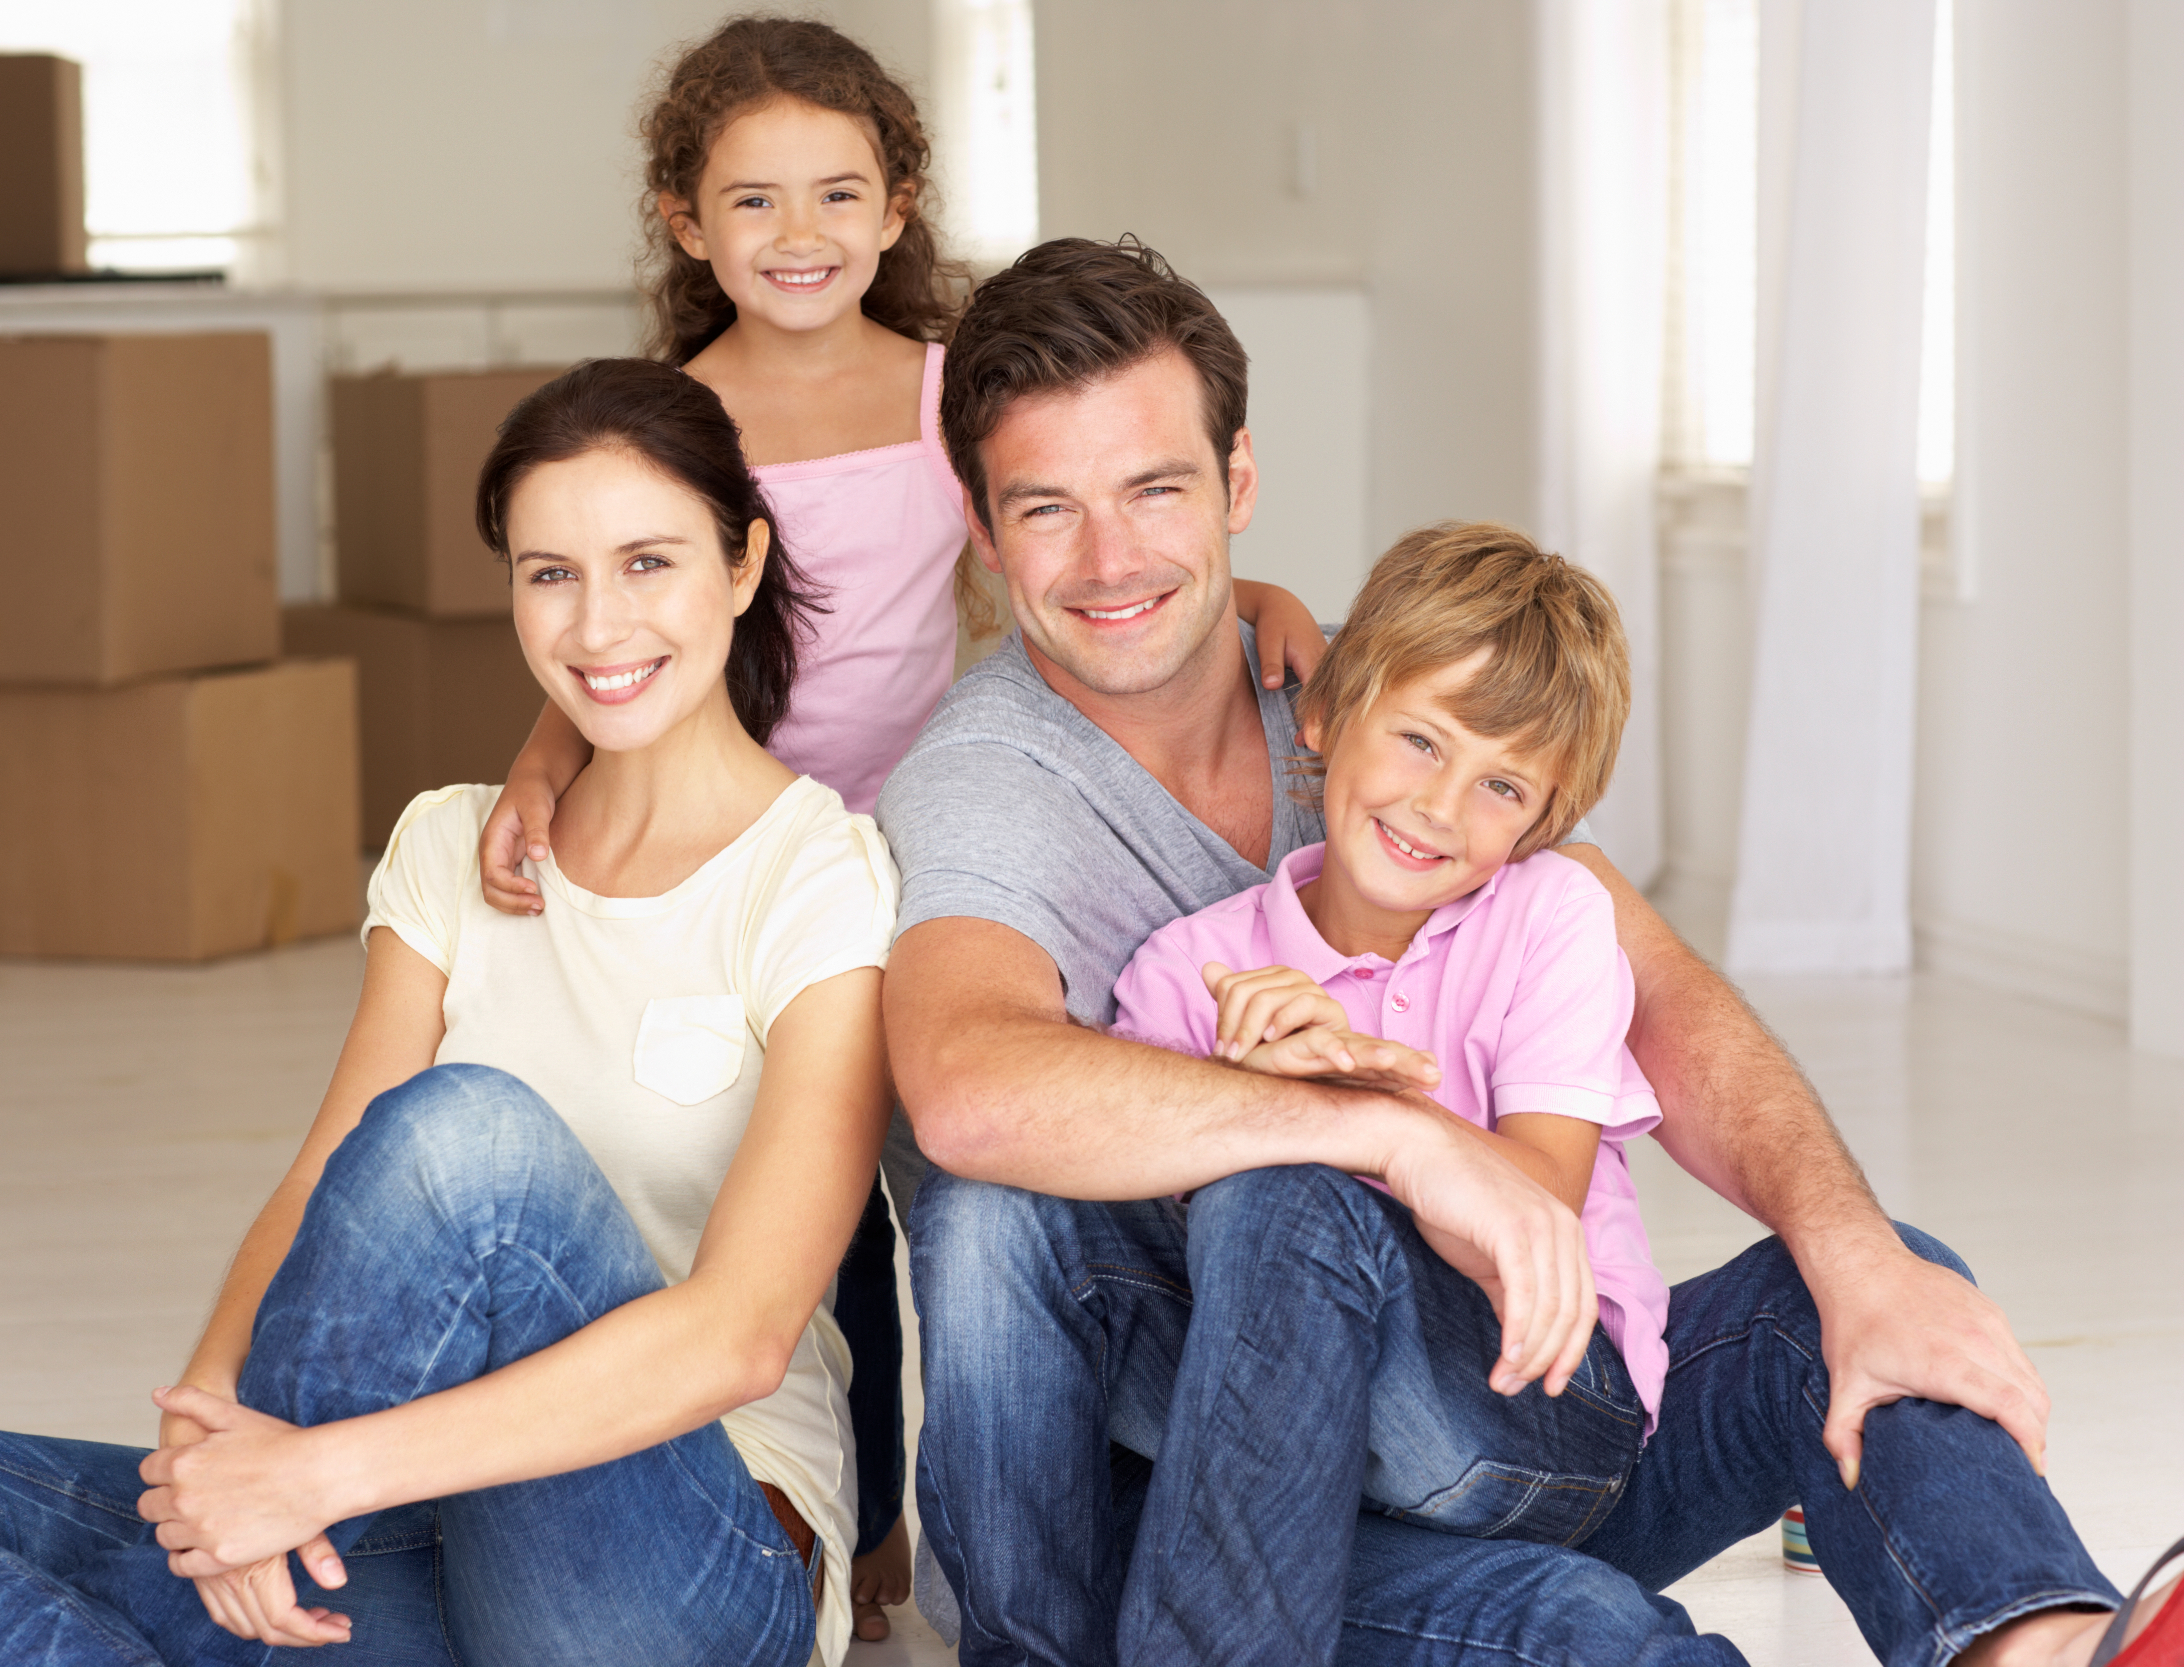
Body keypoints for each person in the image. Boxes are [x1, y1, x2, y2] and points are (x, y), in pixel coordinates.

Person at [878, 234, 2176, 1666]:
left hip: (1511, 1409)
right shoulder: (994, 783)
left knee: (1866, 1270)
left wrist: (1851, 1248)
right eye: (1047, 508)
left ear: (1237, 482)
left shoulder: (1367, 697)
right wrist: (1392, 1137)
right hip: (1224, 1517)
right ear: (983, 530)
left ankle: (2041, 1645)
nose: (1113, 556)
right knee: (1114, 1216)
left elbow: (1655, 989)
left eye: (1156, 488)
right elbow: (964, 1089)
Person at [0, 358, 899, 1667]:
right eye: (548, 570)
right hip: (399, 1519)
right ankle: (241, 1615)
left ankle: (226, 1616)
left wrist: (307, 1477)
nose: (595, 623)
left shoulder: (822, 875)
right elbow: (324, 1184)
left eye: (647, 562)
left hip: (675, 1566)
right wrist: (212, 1436)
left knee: (471, 1139)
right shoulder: (452, 841)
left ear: (742, 564)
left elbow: (739, 1335)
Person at [468, 17, 1326, 1637]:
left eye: (836, 194)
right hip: (745, 855)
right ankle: (808, 1505)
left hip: (927, 854)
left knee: (911, 1197)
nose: (799, 237)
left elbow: (1100, 532)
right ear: (684, 221)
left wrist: (1263, 589)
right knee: (775, 1199)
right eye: (755, 202)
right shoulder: (673, 411)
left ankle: (899, 1533)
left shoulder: (950, 397)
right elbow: (617, 620)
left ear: (899, 204)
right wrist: (537, 761)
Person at [1100, 522, 1676, 1655]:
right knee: (1590, 1625)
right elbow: (1146, 1278)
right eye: (1418, 739)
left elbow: (1539, 1197)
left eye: (1500, 783)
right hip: (1293, 1475)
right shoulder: (1188, 972)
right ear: (1322, 720)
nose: (1439, 806)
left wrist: (1346, 1116)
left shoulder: (1547, 914)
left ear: (1541, 822)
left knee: (1290, 1191)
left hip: (1530, 1402)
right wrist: (1241, 1098)